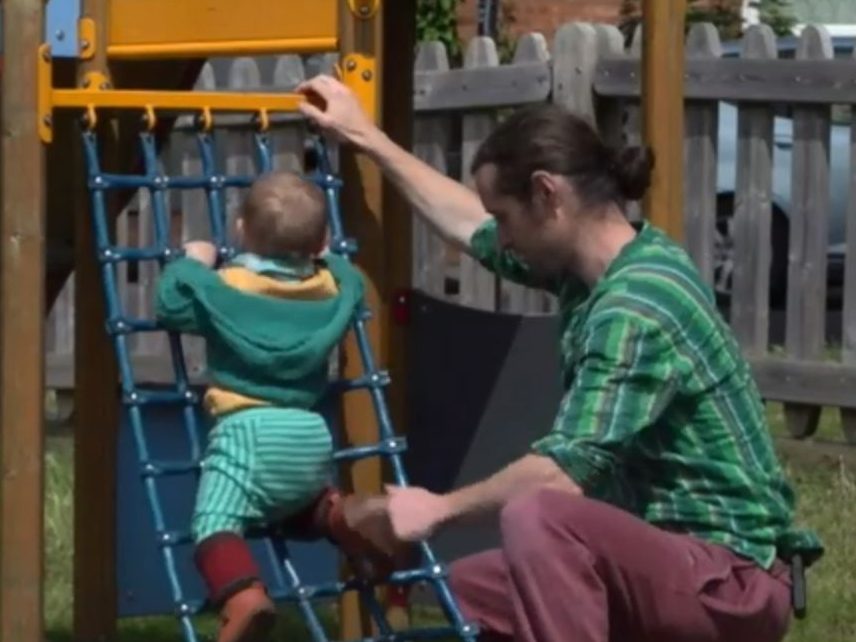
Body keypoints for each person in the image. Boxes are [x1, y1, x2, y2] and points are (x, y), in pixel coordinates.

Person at [296, 75, 824, 642]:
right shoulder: (595, 266)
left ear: (547, 194)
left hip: (730, 579)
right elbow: (465, 220)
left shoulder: (635, 306)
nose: (500, 237)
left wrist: (437, 509)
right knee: (465, 591)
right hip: (669, 560)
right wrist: (368, 138)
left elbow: (562, 474)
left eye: (505, 216)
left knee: (539, 516)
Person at [155, 171, 398, 642]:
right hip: (308, 436)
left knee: (214, 523)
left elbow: (170, 305)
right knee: (301, 507)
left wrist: (192, 262)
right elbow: (349, 279)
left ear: (241, 230)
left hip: (247, 432)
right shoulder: (331, 290)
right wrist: (330, 259)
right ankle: (343, 516)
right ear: (324, 239)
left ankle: (244, 597)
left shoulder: (227, 287)